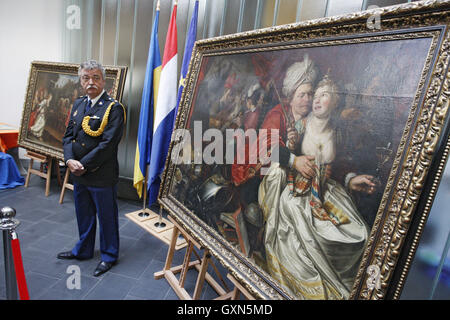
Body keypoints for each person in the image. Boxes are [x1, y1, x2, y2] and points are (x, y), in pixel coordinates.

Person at [259, 75, 375, 299]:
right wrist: (293, 156)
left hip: (327, 190)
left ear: (336, 103)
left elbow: (340, 164)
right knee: (305, 227)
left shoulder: (338, 132)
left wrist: (351, 179)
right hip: (299, 189)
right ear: (291, 97)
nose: (313, 99)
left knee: (360, 233)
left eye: (320, 94)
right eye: (306, 94)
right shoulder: (296, 122)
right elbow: (269, 149)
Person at [58, 60, 126, 277]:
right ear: (81, 81)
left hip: (100, 174)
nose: (91, 82)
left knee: (107, 217)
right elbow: (68, 136)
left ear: (104, 81)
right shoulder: (78, 104)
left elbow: (108, 144)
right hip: (78, 172)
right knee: (84, 214)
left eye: (96, 77)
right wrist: (69, 160)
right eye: (86, 78)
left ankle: (109, 256)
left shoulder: (113, 108)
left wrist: (83, 165)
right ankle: (84, 250)